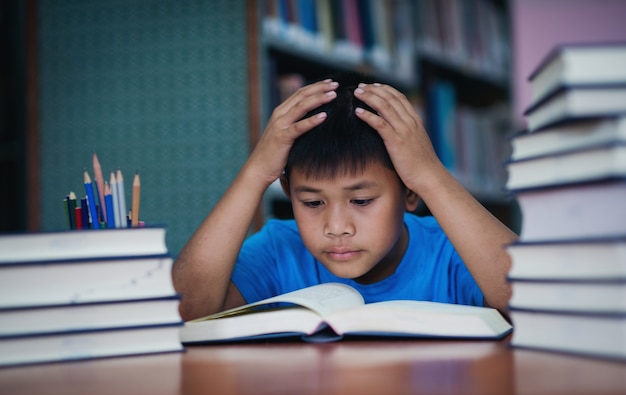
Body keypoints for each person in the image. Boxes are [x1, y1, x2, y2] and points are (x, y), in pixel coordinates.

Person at [172, 77, 518, 321]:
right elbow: (187, 310)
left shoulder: (453, 251)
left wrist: (430, 174)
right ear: (289, 193)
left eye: (363, 200)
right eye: (312, 203)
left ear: (410, 191)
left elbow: (535, 301)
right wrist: (254, 174)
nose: (336, 228)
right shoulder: (279, 250)